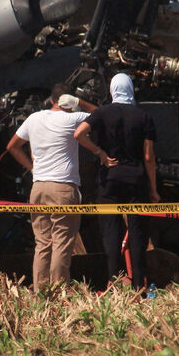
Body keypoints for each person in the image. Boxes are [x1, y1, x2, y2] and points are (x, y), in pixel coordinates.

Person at [6, 84, 108, 292]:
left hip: (38, 188)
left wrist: (32, 169)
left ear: (51, 100)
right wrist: (81, 103)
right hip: (63, 188)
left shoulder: (34, 118)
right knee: (62, 242)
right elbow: (102, 115)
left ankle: (40, 294)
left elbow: (12, 147)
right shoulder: (72, 119)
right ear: (68, 101)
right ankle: (59, 293)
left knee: (43, 243)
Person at [73, 73, 159, 290]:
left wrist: (100, 152)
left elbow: (79, 134)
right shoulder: (144, 116)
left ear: (112, 90)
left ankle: (115, 281)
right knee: (138, 233)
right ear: (130, 89)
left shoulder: (102, 113)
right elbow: (149, 157)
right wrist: (154, 190)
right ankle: (139, 284)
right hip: (136, 182)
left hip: (109, 181)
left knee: (110, 231)